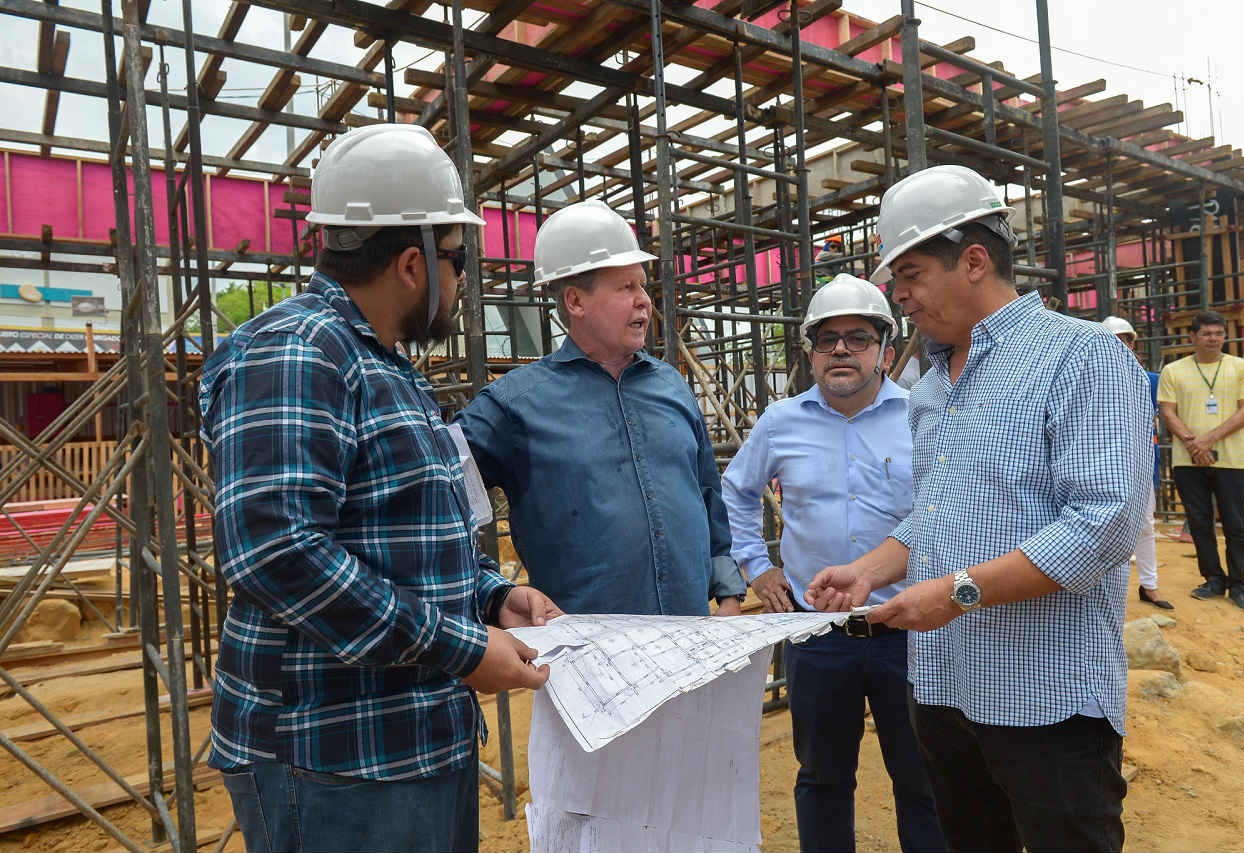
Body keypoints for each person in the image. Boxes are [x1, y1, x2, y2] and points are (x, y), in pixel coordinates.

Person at [199, 124, 561, 853]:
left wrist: (490, 596)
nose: (461, 281)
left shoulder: (389, 368)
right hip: (332, 765)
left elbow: (403, 534)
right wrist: (463, 646)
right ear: (410, 263)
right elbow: (276, 550)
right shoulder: (297, 351)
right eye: (457, 261)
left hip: (413, 744)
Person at [807, 164, 1150, 852]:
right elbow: (935, 515)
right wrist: (870, 569)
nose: (899, 297)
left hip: (1044, 700)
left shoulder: (1080, 357)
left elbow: (1103, 523)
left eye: (909, 275)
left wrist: (959, 592)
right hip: (941, 689)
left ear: (973, 260)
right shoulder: (933, 387)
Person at [721, 275, 944, 853]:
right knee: (822, 777)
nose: (841, 349)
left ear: (886, 352)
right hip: (816, 633)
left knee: (923, 779)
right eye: (826, 339)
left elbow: (947, 509)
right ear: (810, 353)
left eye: (858, 337)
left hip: (910, 628)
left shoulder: (922, 417)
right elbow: (736, 491)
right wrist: (756, 566)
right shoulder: (780, 422)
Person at [456, 199, 747, 616]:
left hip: (693, 637)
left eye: (642, 285)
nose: (645, 301)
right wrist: (490, 592)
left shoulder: (671, 386)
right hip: (589, 658)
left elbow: (707, 495)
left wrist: (730, 594)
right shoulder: (512, 406)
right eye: (626, 288)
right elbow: (432, 497)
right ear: (575, 301)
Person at [1157, 310, 1244, 613]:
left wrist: (1207, 440)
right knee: (1200, 522)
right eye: (1206, 333)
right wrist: (1195, 444)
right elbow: (1168, 412)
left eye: (1218, 333)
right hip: (1188, 461)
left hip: (1231, 460)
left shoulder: (1242, 367)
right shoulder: (1174, 371)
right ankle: (1213, 579)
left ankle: (1239, 585)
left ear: (1224, 336)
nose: (1213, 339)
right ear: (1192, 337)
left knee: (1235, 524)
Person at [1102, 315, 1172, 609]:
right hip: (1102, 465)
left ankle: (1150, 586)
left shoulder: (1150, 381)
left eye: (1128, 339)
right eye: (1118, 339)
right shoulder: (1094, 380)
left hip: (1140, 465)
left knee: (1144, 526)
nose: (1124, 345)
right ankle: (1104, 593)